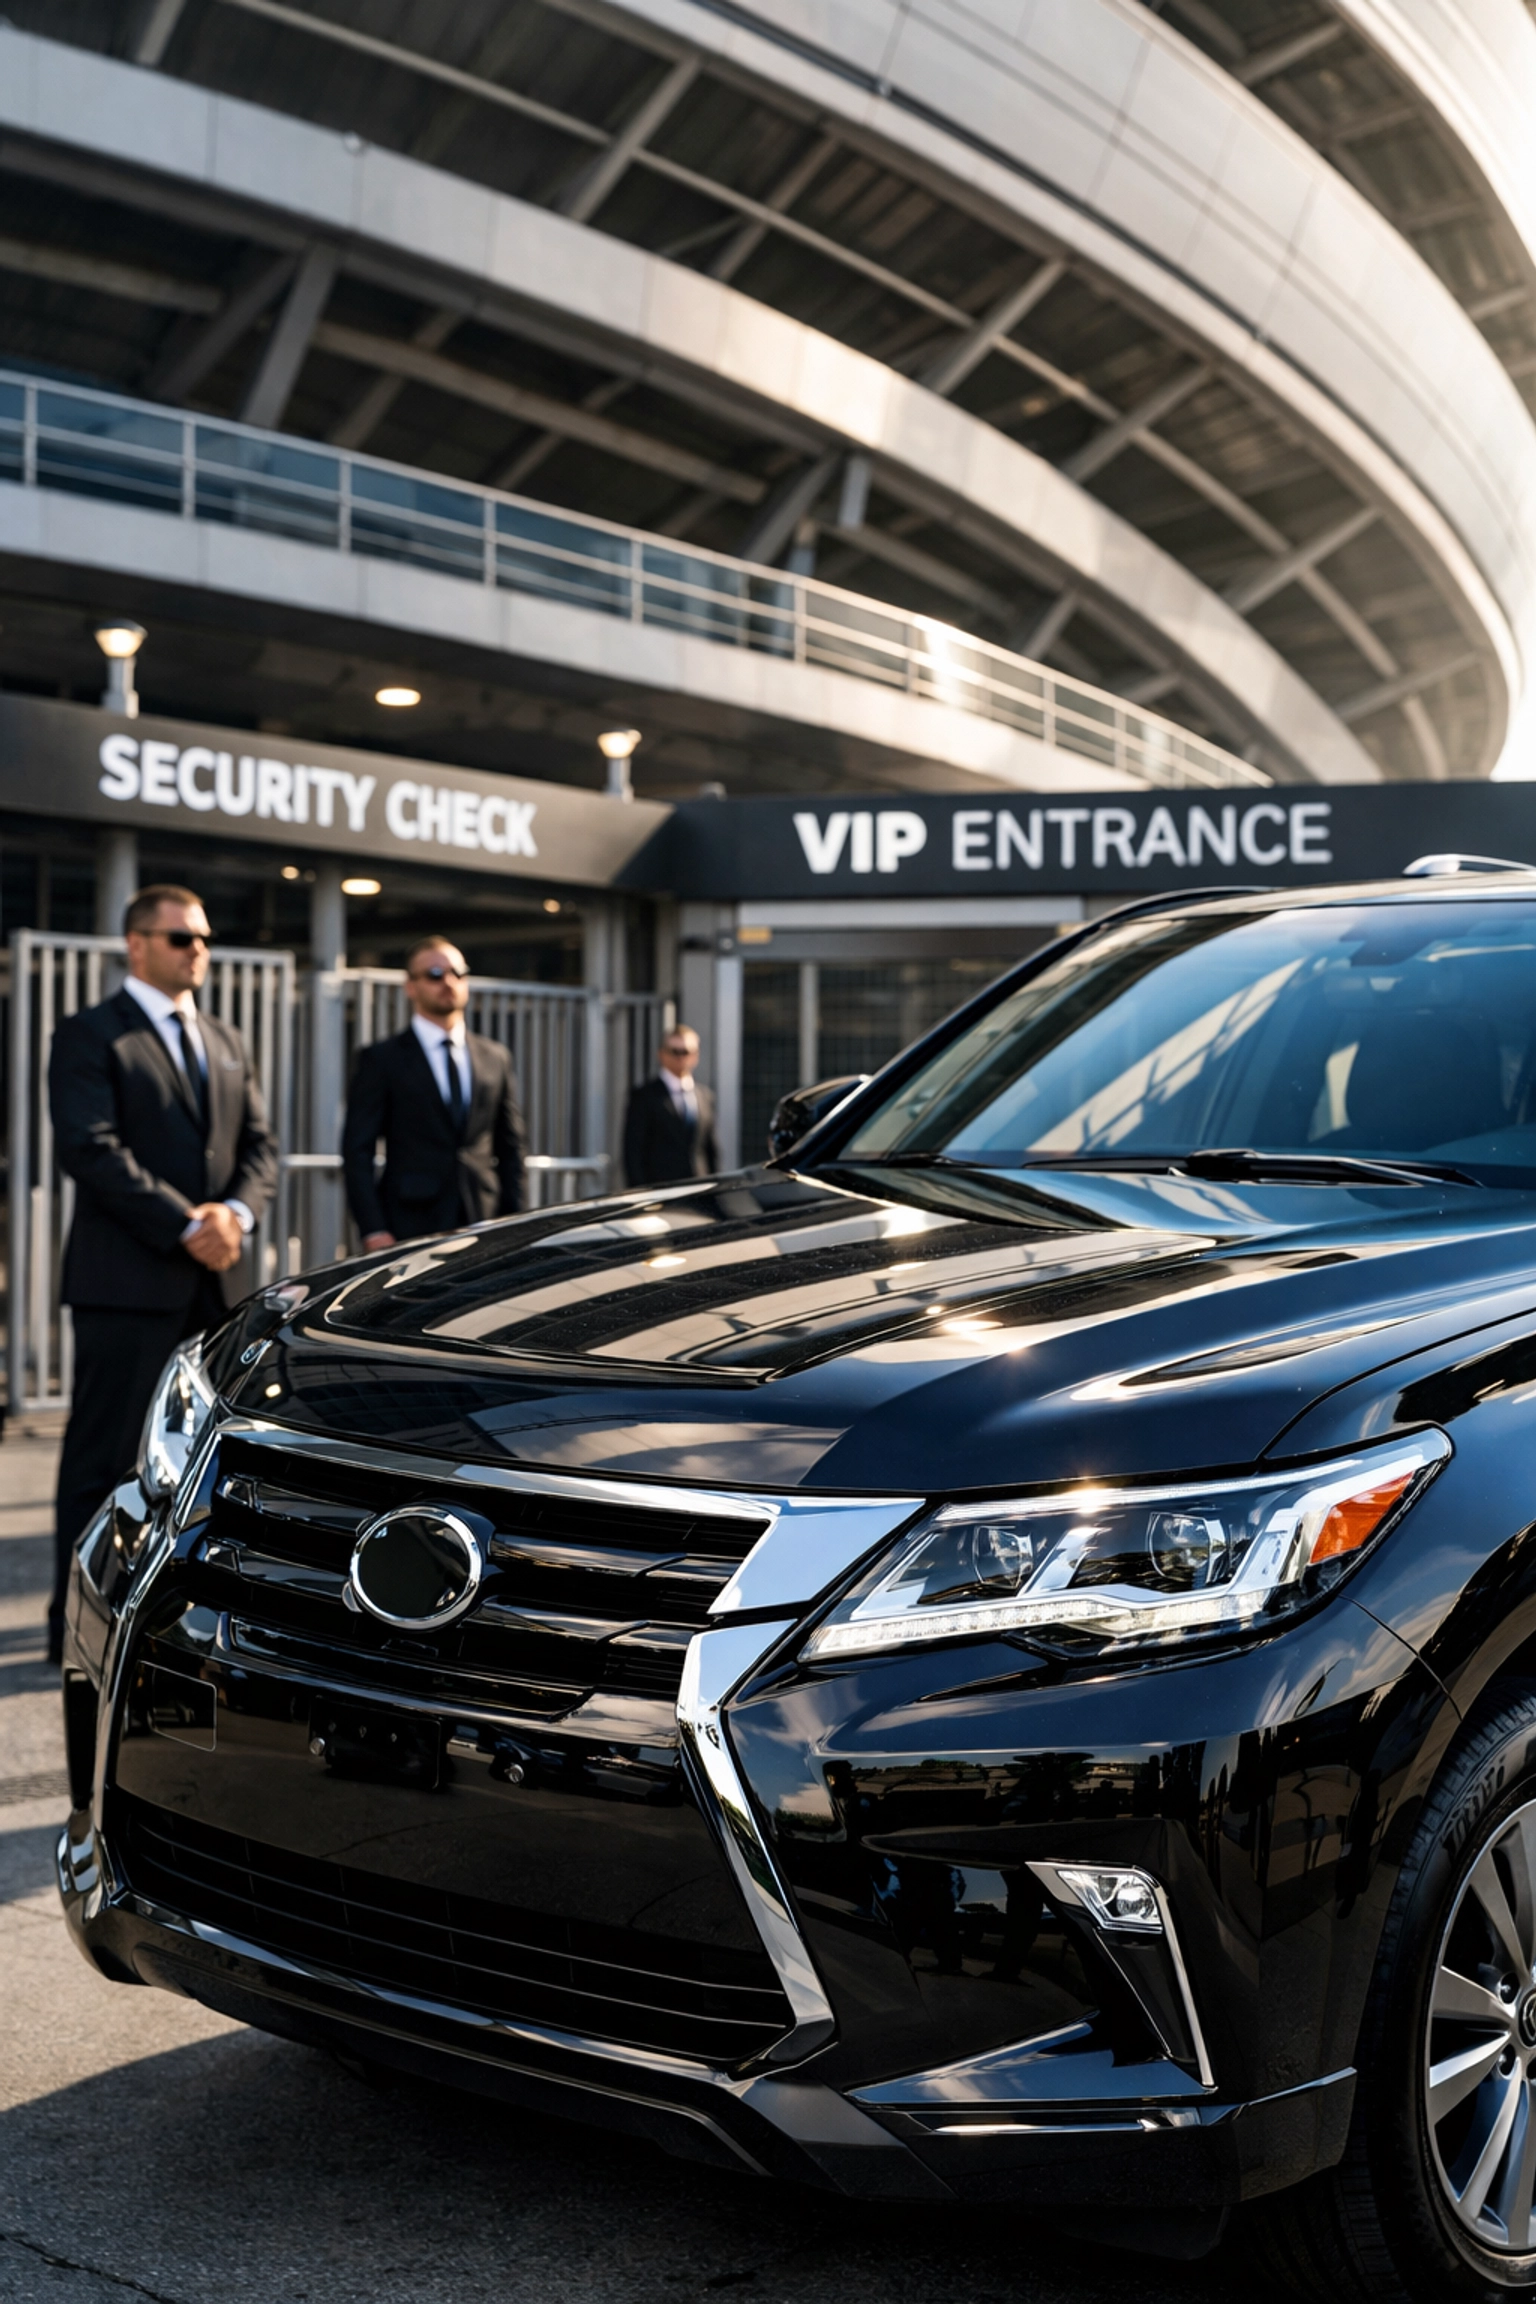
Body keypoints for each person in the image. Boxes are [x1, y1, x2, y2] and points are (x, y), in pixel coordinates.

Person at [47, 883, 278, 1661]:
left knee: (199, 1465)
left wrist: (235, 1218)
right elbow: (89, 1147)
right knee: (104, 1461)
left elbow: (260, 1147)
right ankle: (74, 1627)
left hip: (213, 1289)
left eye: (205, 938)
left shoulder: (222, 1037)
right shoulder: (91, 1035)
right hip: (125, 1283)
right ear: (136, 943)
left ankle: (169, 1630)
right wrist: (189, 1224)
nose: (198, 951)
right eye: (182, 938)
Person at [342, 935, 525, 1250]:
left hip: (485, 1218)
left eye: (458, 973)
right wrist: (373, 1228)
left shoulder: (495, 1056)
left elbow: (511, 1146)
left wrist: (518, 1220)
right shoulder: (382, 1059)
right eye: (435, 975)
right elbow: (358, 1151)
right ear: (411, 986)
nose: (449, 982)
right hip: (409, 1224)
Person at [622, 1025, 719, 1187]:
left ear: (695, 1056)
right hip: (659, 1191)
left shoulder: (705, 1096)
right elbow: (633, 1152)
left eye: (686, 1052)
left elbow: (710, 1149)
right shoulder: (644, 1096)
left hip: (699, 1189)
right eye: (675, 1051)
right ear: (661, 1054)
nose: (681, 1057)